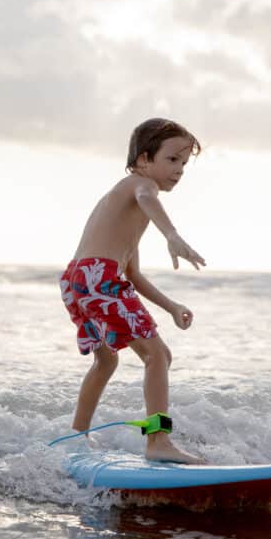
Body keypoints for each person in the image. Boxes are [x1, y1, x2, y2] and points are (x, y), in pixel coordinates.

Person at [59, 117, 206, 464]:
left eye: (184, 163)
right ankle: (158, 441)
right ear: (143, 160)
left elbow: (132, 276)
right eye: (172, 159)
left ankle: (76, 436)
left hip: (78, 279)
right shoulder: (140, 186)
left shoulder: (125, 206)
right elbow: (147, 197)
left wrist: (170, 305)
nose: (180, 170)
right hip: (98, 276)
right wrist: (171, 234)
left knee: (106, 360)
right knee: (158, 355)